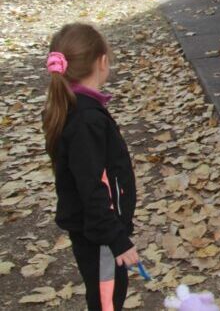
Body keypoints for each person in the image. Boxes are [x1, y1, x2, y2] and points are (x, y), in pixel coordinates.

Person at [43, 23, 139, 311]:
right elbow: (93, 188)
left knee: (105, 295)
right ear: (102, 61)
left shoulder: (77, 107)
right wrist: (116, 238)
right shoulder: (86, 120)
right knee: (107, 300)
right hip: (99, 237)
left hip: (98, 232)